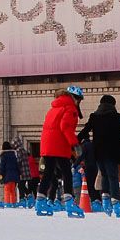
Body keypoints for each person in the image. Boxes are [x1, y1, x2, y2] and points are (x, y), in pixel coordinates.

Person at [35, 85, 84, 217]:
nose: (79, 102)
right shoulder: (70, 108)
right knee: (67, 173)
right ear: (74, 98)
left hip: (47, 144)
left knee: (48, 173)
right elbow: (65, 127)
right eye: (79, 99)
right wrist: (75, 144)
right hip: (59, 144)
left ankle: (40, 201)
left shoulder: (54, 108)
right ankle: (69, 202)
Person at [0, 141, 20, 207]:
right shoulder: (13, 155)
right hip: (14, 175)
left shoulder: (3, 155)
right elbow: (17, 165)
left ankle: (7, 203)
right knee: (12, 190)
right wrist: (19, 173)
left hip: (7, 175)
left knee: (7, 189)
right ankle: (13, 202)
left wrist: (0, 173)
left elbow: (2, 166)